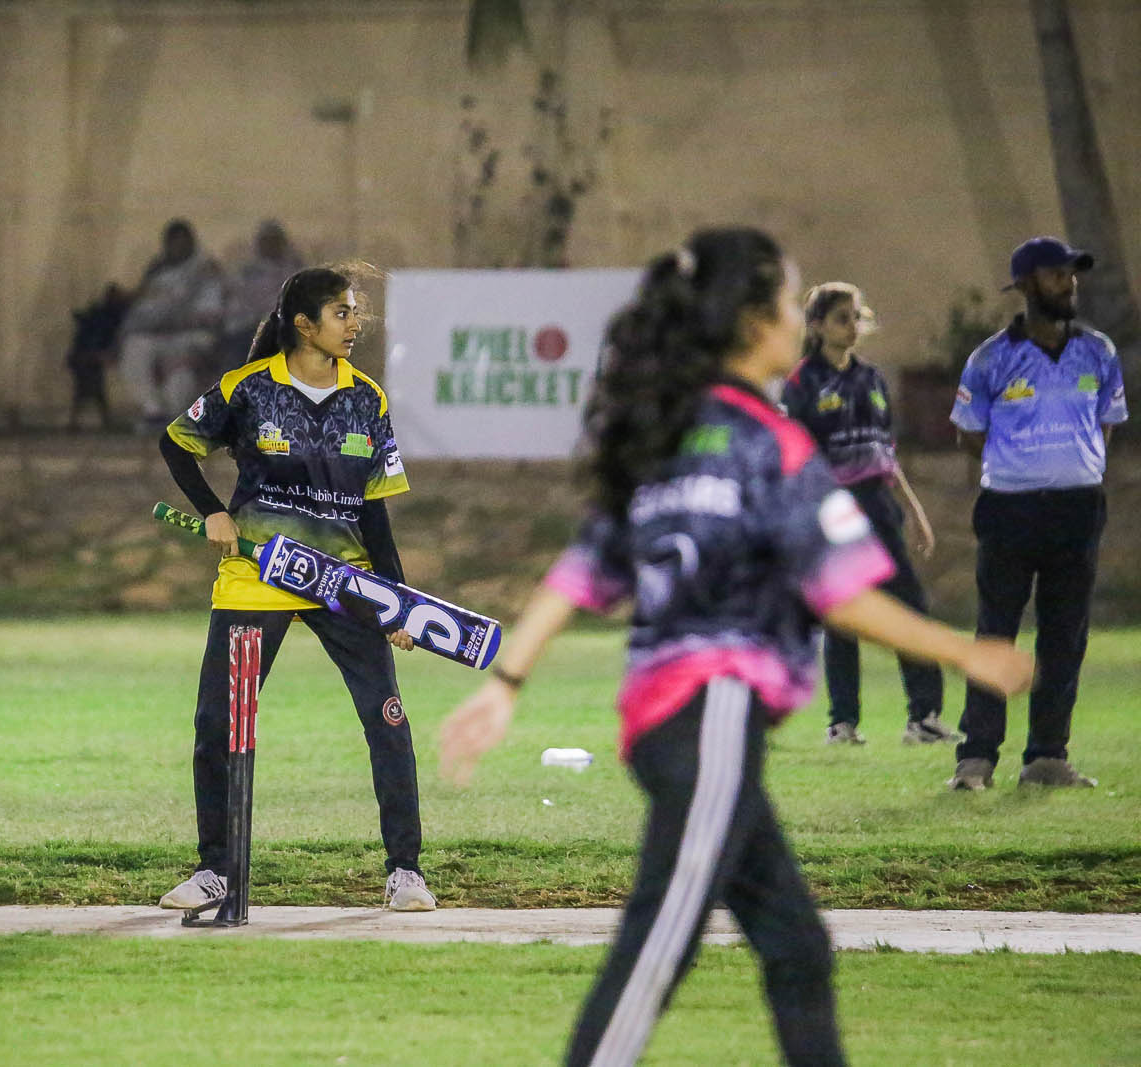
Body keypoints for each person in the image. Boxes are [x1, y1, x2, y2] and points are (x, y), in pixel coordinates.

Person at [438, 228, 1033, 1067]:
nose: (797, 319)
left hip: (664, 724)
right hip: (714, 710)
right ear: (752, 322)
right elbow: (842, 594)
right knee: (659, 943)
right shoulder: (768, 443)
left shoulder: (664, 437)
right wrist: (964, 652)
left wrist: (506, 683)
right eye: (788, 301)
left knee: (797, 947)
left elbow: (578, 572)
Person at [156, 265, 436, 913]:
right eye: (342, 312)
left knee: (387, 720)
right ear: (304, 325)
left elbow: (374, 512)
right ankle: (216, 870)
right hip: (256, 580)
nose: (355, 323)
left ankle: (406, 872)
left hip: (345, 582)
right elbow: (175, 444)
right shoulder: (248, 388)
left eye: (354, 311)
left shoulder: (368, 398)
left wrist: (397, 601)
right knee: (218, 723)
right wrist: (212, 511)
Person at [946, 236, 1128, 791]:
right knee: (996, 631)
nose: (1068, 284)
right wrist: (1020, 468)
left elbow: (1105, 424)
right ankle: (976, 759)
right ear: (1025, 285)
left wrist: (1072, 468)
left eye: (1072, 274)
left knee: (1065, 635)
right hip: (1010, 509)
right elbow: (969, 434)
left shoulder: (1098, 351)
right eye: (1056, 275)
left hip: (1078, 509)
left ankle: (1047, 757)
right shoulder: (991, 358)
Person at [781, 282, 951, 746]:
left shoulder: (871, 379)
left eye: (856, 317)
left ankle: (924, 717)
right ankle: (843, 723)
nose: (852, 326)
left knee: (909, 607)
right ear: (817, 326)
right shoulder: (802, 383)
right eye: (842, 318)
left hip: (878, 504)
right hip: (833, 508)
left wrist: (914, 510)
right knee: (842, 616)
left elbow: (885, 454)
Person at [116, 219, 225, 430]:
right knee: (134, 347)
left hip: (191, 336)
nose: (178, 247)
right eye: (174, 243)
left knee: (178, 384)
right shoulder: (158, 273)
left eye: (183, 242)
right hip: (158, 335)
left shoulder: (206, 271)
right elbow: (144, 311)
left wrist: (177, 320)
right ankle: (153, 411)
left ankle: (178, 418)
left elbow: (211, 313)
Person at [219, 219, 305, 376]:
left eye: (275, 241)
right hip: (249, 328)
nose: (271, 246)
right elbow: (238, 302)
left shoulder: (295, 270)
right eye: (267, 241)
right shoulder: (247, 272)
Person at [65, 283, 130, 433]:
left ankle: (87, 420)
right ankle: (96, 420)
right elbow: (95, 336)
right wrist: (98, 354)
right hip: (85, 356)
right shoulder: (104, 316)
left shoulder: (105, 314)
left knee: (90, 389)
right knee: (90, 388)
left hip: (85, 356)